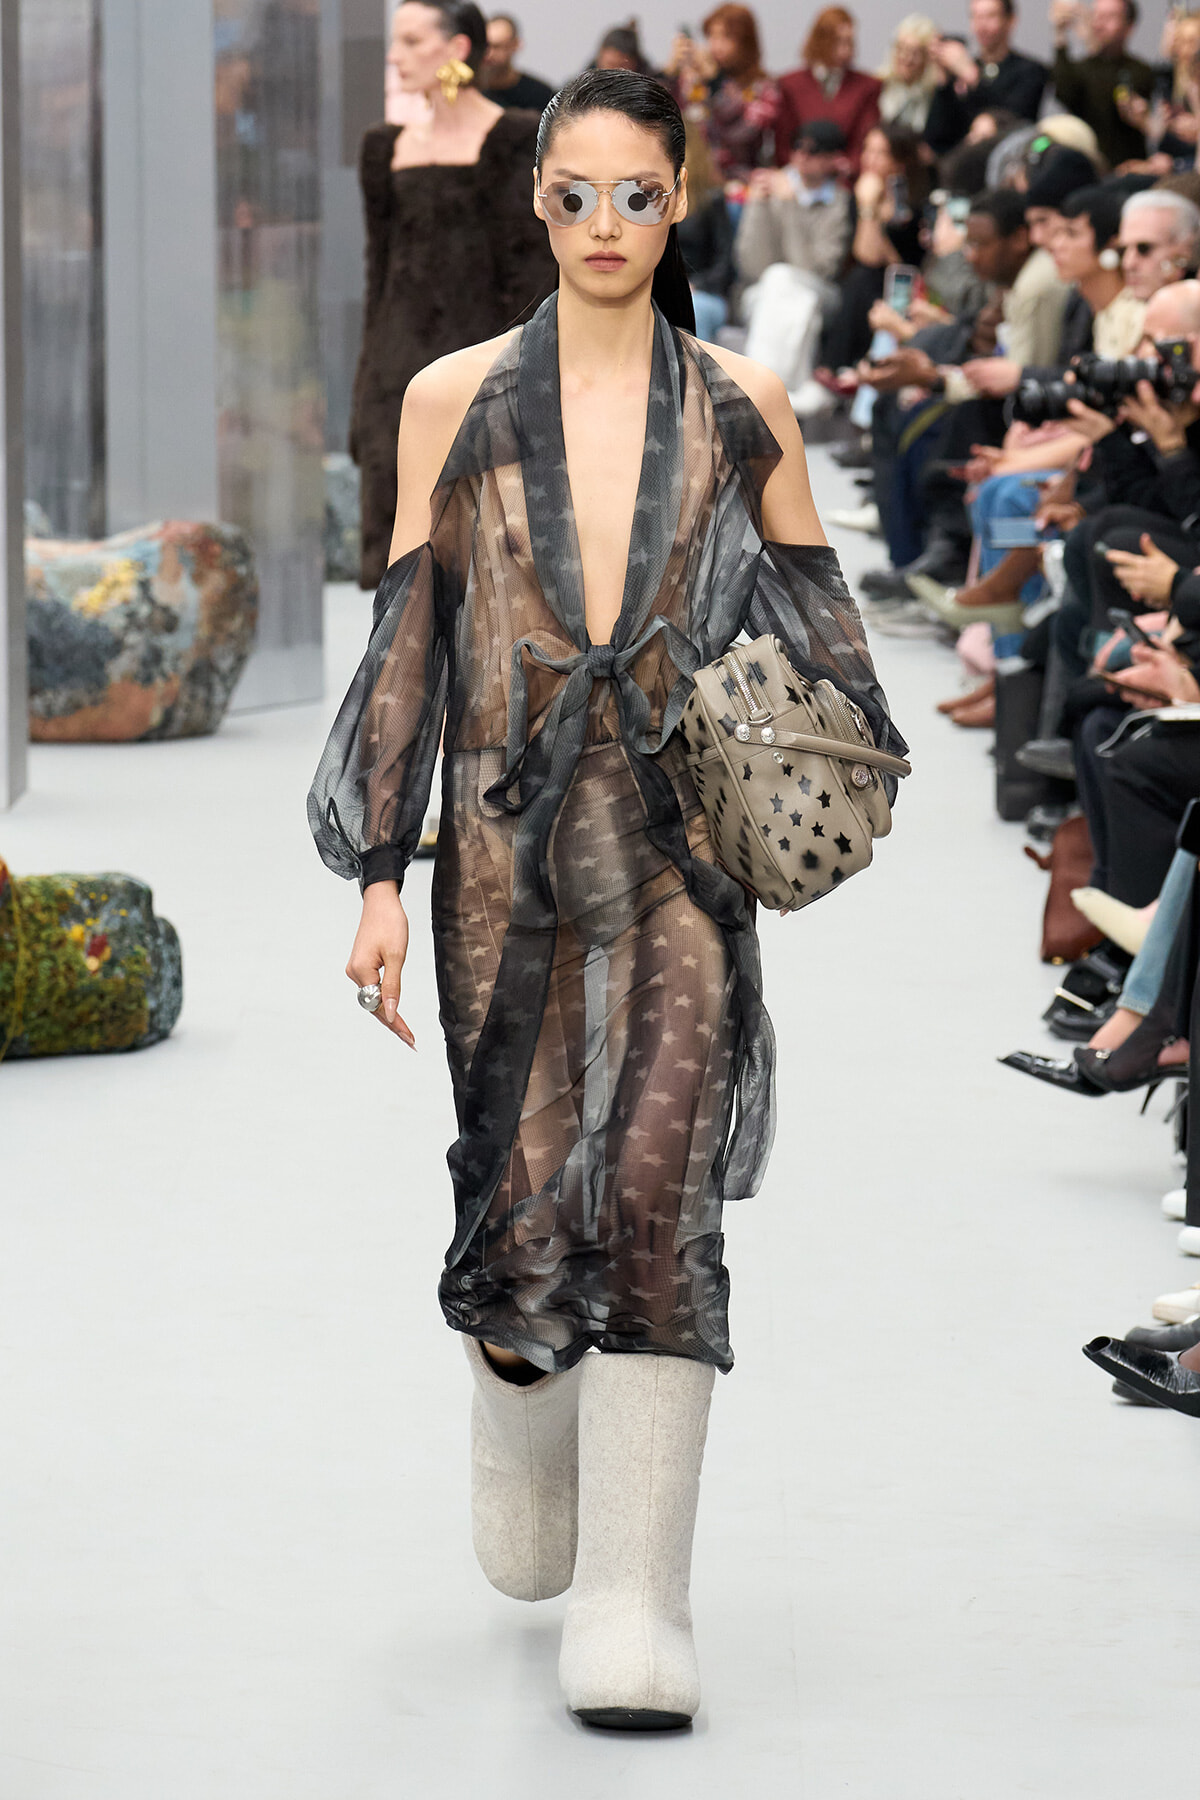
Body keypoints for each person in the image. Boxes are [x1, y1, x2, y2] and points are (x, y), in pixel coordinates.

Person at [309, 66, 904, 1731]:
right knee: (522, 1198)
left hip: (678, 853)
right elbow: (410, 646)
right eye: (575, 194)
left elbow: (827, 629)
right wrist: (378, 871)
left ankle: (640, 1599)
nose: (605, 225)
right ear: (537, 199)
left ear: (681, 201)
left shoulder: (741, 404)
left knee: (655, 1195)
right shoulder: (452, 399)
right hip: (499, 859)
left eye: (639, 195)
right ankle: (515, 1387)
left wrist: (813, 756)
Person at [349, 1, 556, 589]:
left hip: (484, 372)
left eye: (412, 41)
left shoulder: (516, 139)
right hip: (396, 376)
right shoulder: (384, 148)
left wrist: (523, 388)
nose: (395, 56)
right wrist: (365, 391)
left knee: (492, 571)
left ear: (458, 48)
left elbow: (530, 276)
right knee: (401, 576)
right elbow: (379, 272)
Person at [735, 119, 854, 411]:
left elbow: (819, 269)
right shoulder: (771, 188)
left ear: (832, 159)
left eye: (812, 151)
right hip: (764, 292)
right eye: (797, 146)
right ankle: (785, 391)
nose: (801, 155)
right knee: (779, 283)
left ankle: (757, 389)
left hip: (819, 291)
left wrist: (791, 207)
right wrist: (758, 206)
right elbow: (751, 266)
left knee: (784, 280)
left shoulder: (840, 202)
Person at [819, 122, 928, 373]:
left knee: (864, 278)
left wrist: (869, 209)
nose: (870, 159)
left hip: (907, 288)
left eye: (881, 153)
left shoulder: (914, 206)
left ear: (901, 161)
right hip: (866, 283)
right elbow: (864, 255)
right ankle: (838, 368)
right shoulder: (861, 192)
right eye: (867, 150)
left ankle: (837, 367)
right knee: (861, 278)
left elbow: (880, 259)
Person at [668, 5, 782, 182]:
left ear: (746, 41)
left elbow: (744, 131)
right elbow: (672, 119)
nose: (716, 45)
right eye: (711, 36)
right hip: (696, 178)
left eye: (726, 36)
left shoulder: (763, 87)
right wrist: (671, 73)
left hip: (743, 181)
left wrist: (716, 82)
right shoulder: (695, 80)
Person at [924, 0, 1047, 156]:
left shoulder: (1030, 71)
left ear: (1010, 20)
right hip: (960, 162)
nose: (981, 26)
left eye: (990, 16)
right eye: (976, 17)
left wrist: (972, 76)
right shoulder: (962, 70)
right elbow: (935, 139)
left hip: (1008, 160)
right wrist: (944, 81)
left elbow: (1014, 119)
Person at [775, 7, 882, 174]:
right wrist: (801, 166)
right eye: (838, 41)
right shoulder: (790, 85)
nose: (846, 49)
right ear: (820, 40)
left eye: (849, 42)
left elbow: (864, 140)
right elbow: (783, 143)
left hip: (846, 177)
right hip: (799, 176)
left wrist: (847, 166)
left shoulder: (867, 87)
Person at [1051, 0, 1156, 169]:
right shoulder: (1079, 69)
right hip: (1084, 167)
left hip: (1128, 167)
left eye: (1109, 17)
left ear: (1129, 26)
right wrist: (1060, 34)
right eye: (1096, 16)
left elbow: (1108, 98)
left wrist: (1090, 42)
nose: (1099, 24)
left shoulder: (1140, 71)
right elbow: (1063, 93)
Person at [677, 122, 736, 341]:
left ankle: (692, 366)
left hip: (703, 292)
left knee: (692, 310)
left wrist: (694, 285)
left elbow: (725, 264)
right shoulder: (645, 198)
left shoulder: (711, 200)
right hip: (654, 289)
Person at [878, 14, 941, 133]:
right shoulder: (878, 87)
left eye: (915, 53)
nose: (906, 58)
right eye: (901, 49)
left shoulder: (935, 95)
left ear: (927, 58)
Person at [478, 12, 555, 110]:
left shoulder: (542, 95)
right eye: (486, 46)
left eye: (497, 47)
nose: (489, 54)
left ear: (515, 45)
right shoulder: (469, 92)